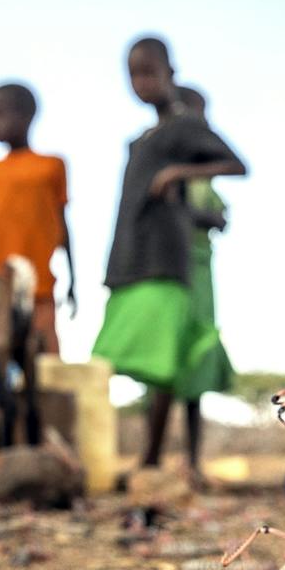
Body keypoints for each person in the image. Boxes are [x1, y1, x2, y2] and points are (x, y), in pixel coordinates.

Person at [92, 37, 246, 482]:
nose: (141, 83)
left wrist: (179, 172)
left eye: (149, 72)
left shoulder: (183, 127)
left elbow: (236, 166)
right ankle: (150, 458)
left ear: (170, 74)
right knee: (134, 358)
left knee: (165, 361)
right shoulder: (142, 140)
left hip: (172, 261)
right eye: (133, 74)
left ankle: (154, 460)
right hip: (134, 259)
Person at [0, 82, 75, 355]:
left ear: (27, 115)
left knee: (44, 358)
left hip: (39, 285)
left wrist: (73, 280)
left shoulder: (52, 166)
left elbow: (63, 225)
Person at [173, 86, 237, 467]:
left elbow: (221, 218)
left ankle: (191, 461)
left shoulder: (202, 181)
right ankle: (154, 459)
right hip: (170, 274)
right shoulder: (164, 169)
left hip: (200, 274)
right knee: (164, 363)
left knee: (196, 361)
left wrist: (192, 215)